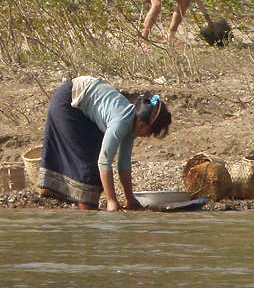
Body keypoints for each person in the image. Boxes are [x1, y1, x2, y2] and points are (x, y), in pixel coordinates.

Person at [37, 76, 171, 211]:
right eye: (149, 131)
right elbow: (104, 162)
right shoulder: (120, 122)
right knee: (88, 168)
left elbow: (123, 164)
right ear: (142, 123)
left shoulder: (132, 127)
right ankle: (80, 206)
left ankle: (80, 203)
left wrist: (130, 199)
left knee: (94, 161)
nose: (148, 136)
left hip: (86, 105)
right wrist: (111, 201)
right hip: (69, 100)